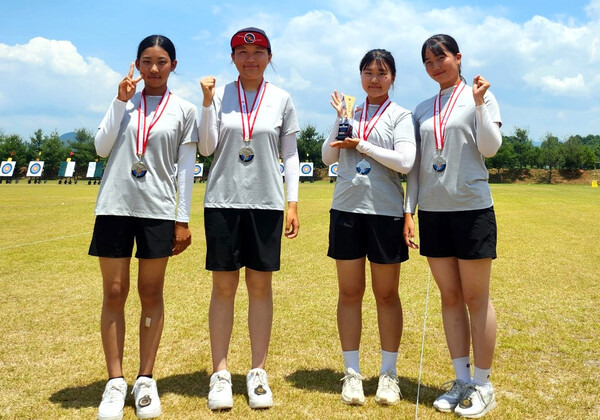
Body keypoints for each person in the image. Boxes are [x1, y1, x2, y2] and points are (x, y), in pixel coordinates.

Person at [89, 34, 198, 420]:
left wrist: (182, 219)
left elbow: (185, 170)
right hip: (115, 207)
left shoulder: (184, 109)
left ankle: (145, 379)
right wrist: (119, 101)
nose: (154, 69)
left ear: (173, 65)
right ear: (136, 63)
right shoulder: (123, 102)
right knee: (114, 292)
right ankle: (115, 382)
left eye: (162, 61)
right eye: (147, 61)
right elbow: (101, 148)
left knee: (150, 291)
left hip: (157, 210)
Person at [198, 27, 300, 411]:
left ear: (269, 57)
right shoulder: (219, 94)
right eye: (242, 52)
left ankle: (257, 371)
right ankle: (220, 373)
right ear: (233, 58)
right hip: (223, 201)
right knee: (223, 289)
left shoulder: (282, 98)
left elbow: (289, 155)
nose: (250, 59)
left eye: (258, 52)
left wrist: (292, 203)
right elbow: (207, 148)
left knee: (260, 288)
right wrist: (207, 103)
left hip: (266, 204)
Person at [404, 34, 502, 418]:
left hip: (473, 209)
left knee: (476, 298)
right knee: (449, 298)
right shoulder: (422, 109)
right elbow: (414, 169)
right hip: (433, 213)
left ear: (458, 58)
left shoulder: (480, 95)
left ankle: (483, 383)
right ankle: (461, 379)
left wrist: (478, 105)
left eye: (440, 57)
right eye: (427, 61)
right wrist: (409, 211)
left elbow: (491, 147)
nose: (435, 66)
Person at [322, 49, 416, 406]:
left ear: (392, 77)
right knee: (349, 294)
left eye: (382, 72)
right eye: (367, 72)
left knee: (386, 295)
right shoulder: (351, 112)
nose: (374, 79)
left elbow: (406, 162)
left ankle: (388, 375)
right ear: (360, 76)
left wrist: (360, 143)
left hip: (385, 213)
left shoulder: (400, 115)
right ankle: (352, 374)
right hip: (346, 210)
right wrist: (340, 120)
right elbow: (328, 157)